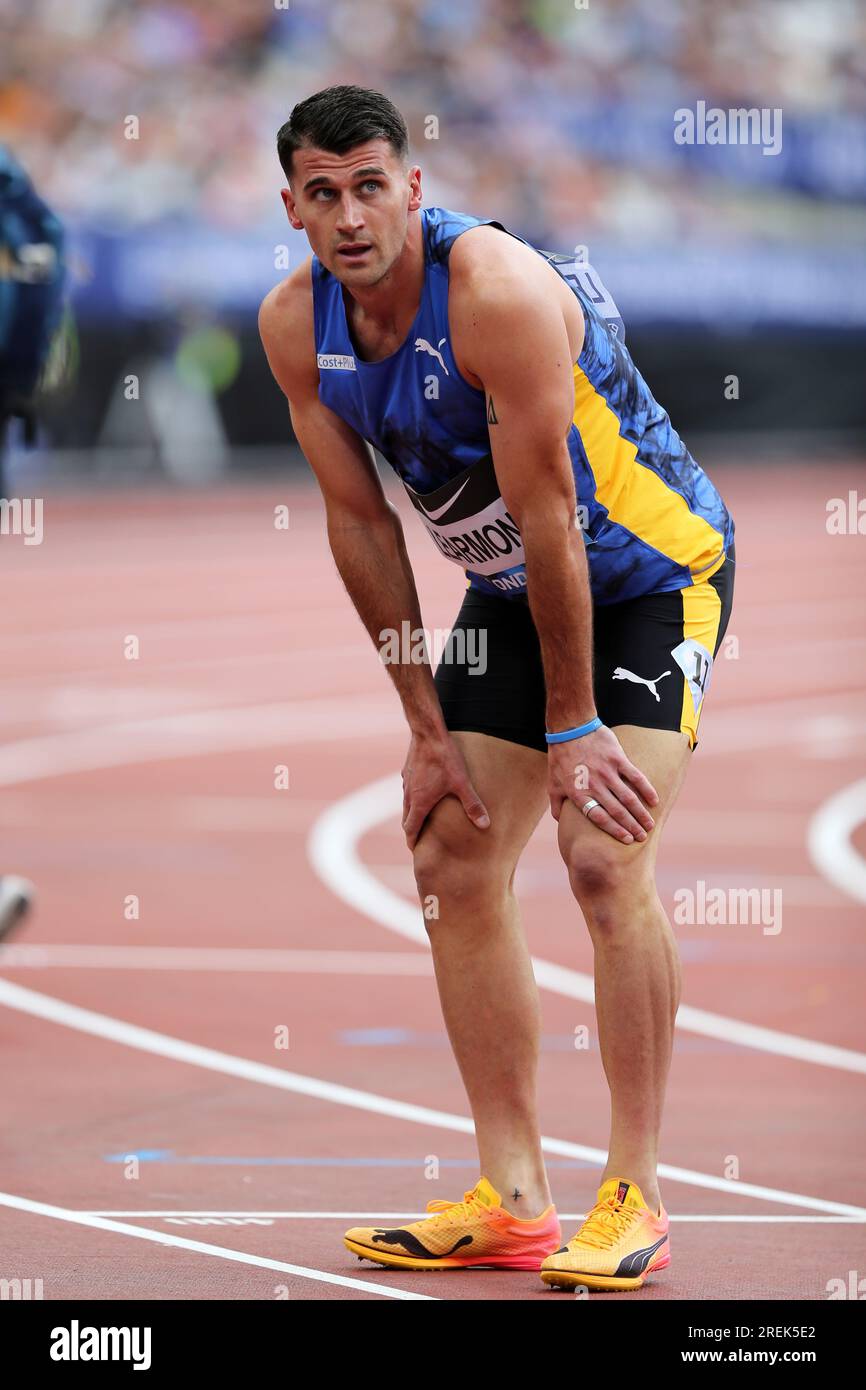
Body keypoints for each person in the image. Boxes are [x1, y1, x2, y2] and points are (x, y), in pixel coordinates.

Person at [259, 86, 735, 1292]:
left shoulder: (499, 294)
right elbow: (359, 526)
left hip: (646, 573)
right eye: (324, 193)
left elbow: (551, 521)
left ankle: (632, 1191)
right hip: (516, 597)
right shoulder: (290, 325)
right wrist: (422, 728)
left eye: (371, 184)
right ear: (293, 208)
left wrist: (573, 724)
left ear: (412, 188)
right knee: (450, 851)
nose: (351, 214)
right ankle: (513, 1194)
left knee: (597, 849)